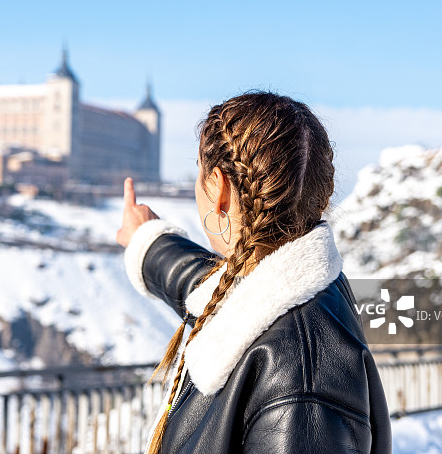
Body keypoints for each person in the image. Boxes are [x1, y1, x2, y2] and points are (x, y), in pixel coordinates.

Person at [116, 92, 392, 453]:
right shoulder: (285, 292)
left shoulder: (302, 379)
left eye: (198, 170)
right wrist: (146, 238)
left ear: (219, 188)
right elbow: (203, 287)